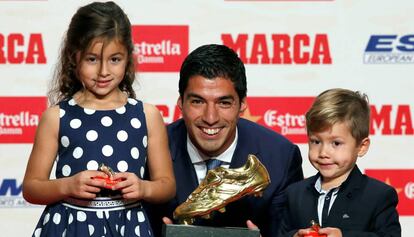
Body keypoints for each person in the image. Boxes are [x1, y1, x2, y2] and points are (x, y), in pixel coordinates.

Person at [22, 2, 175, 237]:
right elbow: (32, 188)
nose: (104, 71)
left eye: (115, 59)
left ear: (128, 58)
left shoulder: (147, 116)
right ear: (74, 57)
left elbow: (167, 186)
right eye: (92, 59)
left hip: (129, 226)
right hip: (69, 226)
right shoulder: (56, 117)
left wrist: (143, 187)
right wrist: (67, 185)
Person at [146, 44, 304, 237]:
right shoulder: (150, 150)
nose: (210, 117)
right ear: (181, 103)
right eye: (197, 101)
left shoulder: (280, 158)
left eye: (224, 103)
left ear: (242, 104)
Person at [279, 88, 401, 237]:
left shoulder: (379, 196)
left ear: (361, 147)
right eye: (316, 141)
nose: (323, 152)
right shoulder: (294, 194)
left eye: (336, 143)